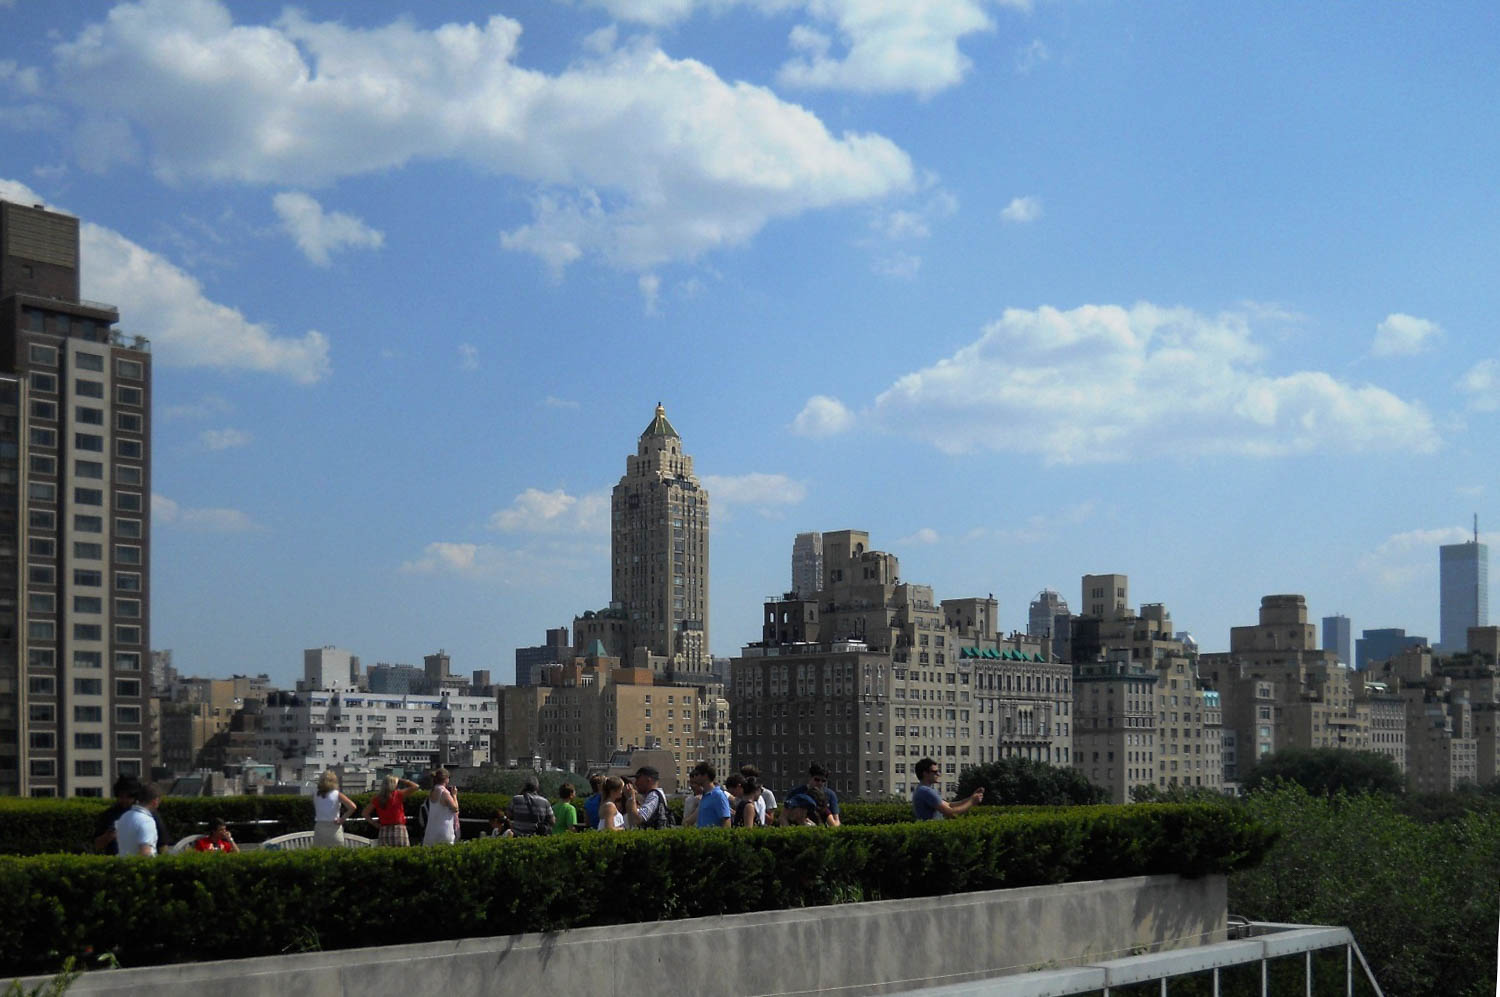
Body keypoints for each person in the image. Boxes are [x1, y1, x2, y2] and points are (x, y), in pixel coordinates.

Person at [94, 775, 169, 854]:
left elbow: (162, 843)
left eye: (129, 797)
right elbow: (97, 845)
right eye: (121, 796)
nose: (124, 800)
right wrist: (108, 836)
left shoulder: (149, 815)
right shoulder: (109, 815)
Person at [911, 757, 984, 820]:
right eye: (935, 772)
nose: (938, 774)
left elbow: (949, 805)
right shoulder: (925, 791)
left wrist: (971, 798)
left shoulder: (923, 790)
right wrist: (971, 802)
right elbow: (950, 813)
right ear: (925, 773)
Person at [362, 774, 421, 847]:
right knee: (402, 853)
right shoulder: (398, 794)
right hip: (399, 829)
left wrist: (375, 824)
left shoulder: (378, 798)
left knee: (385, 855)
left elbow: (365, 813)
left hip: (384, 829)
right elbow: (416, 787)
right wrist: (402, 780)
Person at [114, 781, 161, 857]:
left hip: (122, 865)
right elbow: (145, 852)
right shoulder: (147, 821)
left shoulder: (124, 816)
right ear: (155, 801)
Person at [312, 769, 357, 848]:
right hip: (334, 828)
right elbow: (353, 807)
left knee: (319, 856)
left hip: (319, 828)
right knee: (336, 855)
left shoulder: (315, 794)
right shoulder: (337, 794)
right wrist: (342, 819)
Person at [422, 768, 461, 846]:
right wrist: (454, 795)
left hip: (431, 831)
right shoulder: (444, 793)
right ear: (446, 779)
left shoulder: (432, 791)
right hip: (444, 830)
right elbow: (455, 808)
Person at [690, 762, 731, 828]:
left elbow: (726, 821)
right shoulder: (704, 795)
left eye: (697, 774)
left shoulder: (718, 795)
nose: (694, 777)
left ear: (705, 775)